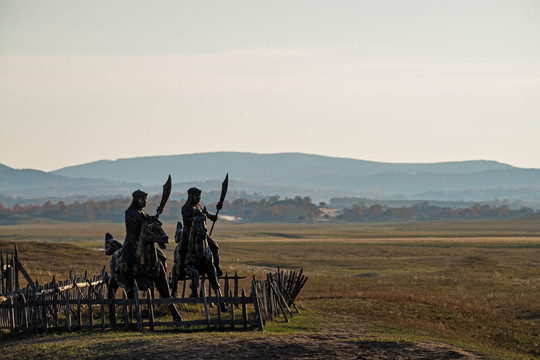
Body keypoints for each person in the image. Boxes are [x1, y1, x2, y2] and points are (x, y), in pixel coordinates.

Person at [117, 189, 167, 275]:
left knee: (162, 257)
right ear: (136, 200)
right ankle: (126, 281)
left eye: (146, 199)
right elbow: (145, 222)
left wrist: (157, 214)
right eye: (142, 199)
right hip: (132, 242)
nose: (145, 201)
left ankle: (163, 279)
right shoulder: (131, 213)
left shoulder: (141, 211)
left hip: (144, 241)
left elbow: (149, 219)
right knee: (126, 262)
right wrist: (154, 218)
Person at [177, 187, 222, 277]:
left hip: (201, 234)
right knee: (181, 250)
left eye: (199, 196)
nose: (199, 198)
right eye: (196, 196)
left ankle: (216, 267)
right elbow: (190, 218)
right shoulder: (186, 208)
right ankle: (181, 270)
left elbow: (205, 214)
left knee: (214, 246)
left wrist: (212, 216)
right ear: (190, 196)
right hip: (188, 234)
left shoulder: (198, 206)